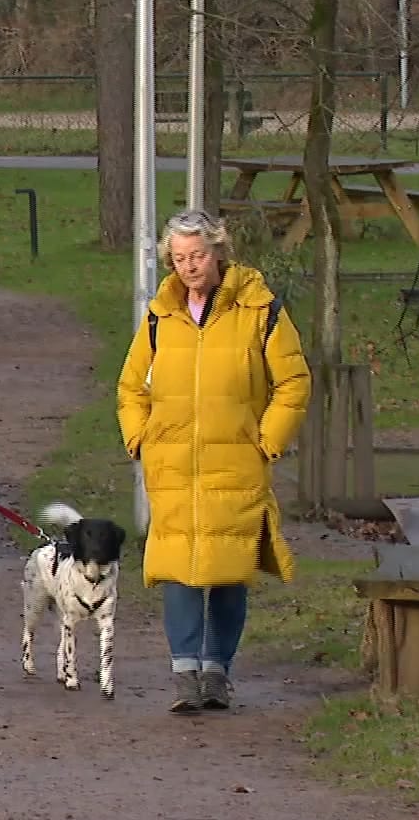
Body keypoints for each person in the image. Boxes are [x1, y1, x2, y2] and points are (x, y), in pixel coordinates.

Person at [116, 210, 311, 715]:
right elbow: (131, 386)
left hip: (236, 463)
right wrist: (140, 438)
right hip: (173, 465)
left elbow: (293, 382)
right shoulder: (160, 315)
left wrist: (267, 440)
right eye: (179, 258)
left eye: (197, 256)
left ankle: (217, 670)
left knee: (227, 571)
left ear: (218, 252)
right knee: (178, 570)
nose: (189, 267)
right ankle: (184, 674)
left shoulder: (260, 309)